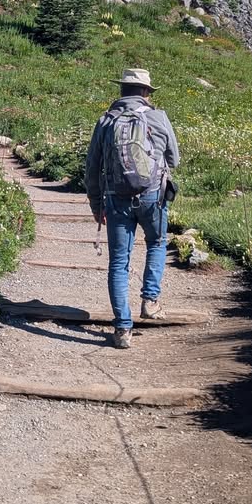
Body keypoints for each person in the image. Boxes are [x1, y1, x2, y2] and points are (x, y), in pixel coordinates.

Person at [85, 68, 180, 349]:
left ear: (122, 91)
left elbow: (92, 168)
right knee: (157, 242)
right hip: (153, 198)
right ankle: (150, 301)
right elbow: (173, 159)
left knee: (118, 263)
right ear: (146, 92)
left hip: (116, 200)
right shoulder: (157, 117)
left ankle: (123, 329)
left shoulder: (106, 120)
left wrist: (95, 203)